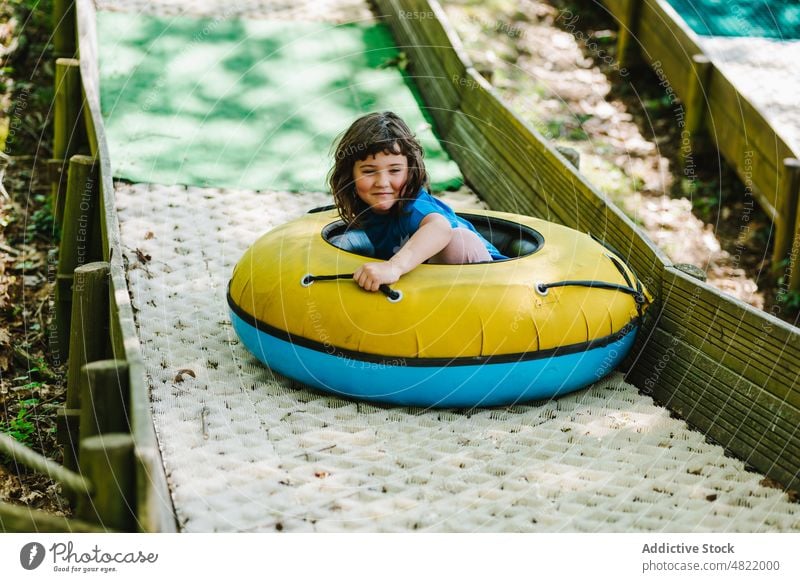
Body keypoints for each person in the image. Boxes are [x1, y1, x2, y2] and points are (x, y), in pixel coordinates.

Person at [328, 111, 504, 292]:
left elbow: (440, 228)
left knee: (459, 241)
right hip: (435, 286)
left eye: (395, 170)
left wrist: (393, 267)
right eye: (369, 171)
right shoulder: (369, 208)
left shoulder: (414, 205)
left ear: (410, 172)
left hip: (492, 278)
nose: (382, 183)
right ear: (351, 175)